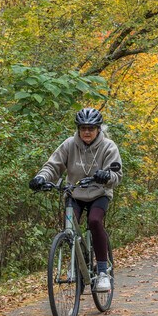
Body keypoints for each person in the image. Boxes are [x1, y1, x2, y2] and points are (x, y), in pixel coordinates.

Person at [29, 107, 122, 292]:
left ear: (98, 129)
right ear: (78, 129)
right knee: (69, 229)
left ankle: (103, 272)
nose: (87, 132)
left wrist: (107, 176)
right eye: (83, 128)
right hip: (74, 193)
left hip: (99, 193)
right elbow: (53, 165)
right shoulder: (69, 144)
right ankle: (78, 267)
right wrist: (41, 178)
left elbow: (116, 174)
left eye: (91, 128)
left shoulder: (108, 146)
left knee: (95, 221)